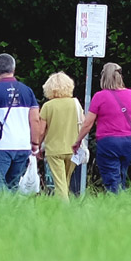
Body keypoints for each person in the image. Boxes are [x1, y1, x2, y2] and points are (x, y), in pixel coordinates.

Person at [0, 54, 40, 192]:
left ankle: (1, 210)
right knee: (13, 184)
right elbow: (35, 119)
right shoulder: (27, 91)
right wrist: (35, 143)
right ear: (14, 68)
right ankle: (12, 211)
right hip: (23, 145)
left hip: (2, 145)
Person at [86, 63, 131, 193]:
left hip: (108, 142)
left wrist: (78, 140)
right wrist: (124, 124)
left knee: (112, 177)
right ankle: (122, 201)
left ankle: (116, 203)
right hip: (128, 141)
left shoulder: (99, 96)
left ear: (103, 77)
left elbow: (88, 123)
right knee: (122, 174)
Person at [36, 71, 84, 200]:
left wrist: (37, 147)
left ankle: (64, 211)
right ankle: (66, 205)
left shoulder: (48, 106)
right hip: (73, 149)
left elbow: (41, 131)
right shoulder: (76, 104)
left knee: (60, 184)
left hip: (54, 150)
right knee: (65, 182)